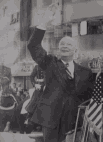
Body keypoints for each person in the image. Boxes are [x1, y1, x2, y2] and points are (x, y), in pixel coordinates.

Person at [27, 3, 94, 142]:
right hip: (51, 120)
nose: (64, 46)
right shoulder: (50, 63)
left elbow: (89, 98)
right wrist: (44, 22)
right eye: (62, 44)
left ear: (75, 50)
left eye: (68, 44)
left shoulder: (86, 73)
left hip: (75, 121)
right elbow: (33, 46)